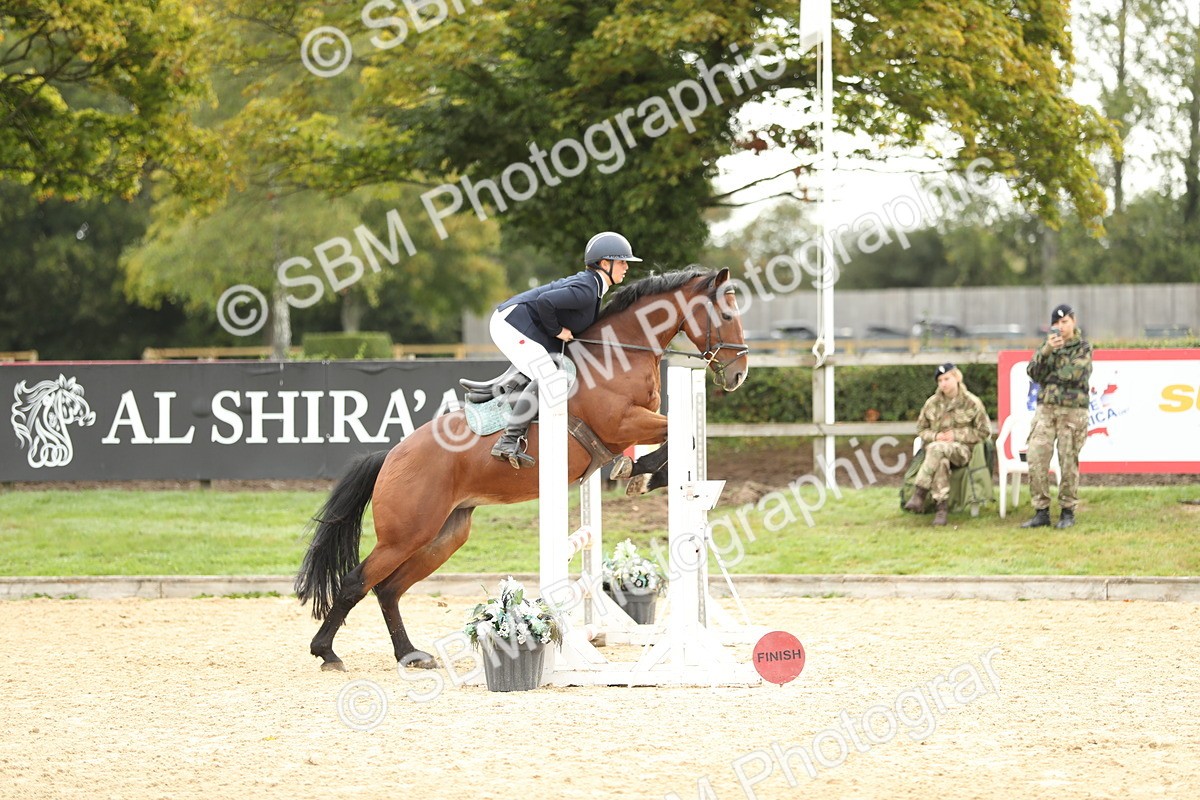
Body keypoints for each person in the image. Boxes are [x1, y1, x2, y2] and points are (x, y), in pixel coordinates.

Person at [486, 231, 640, 468]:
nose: (626, 267)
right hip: (510, 322)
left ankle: (509, 394)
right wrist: (557, 330)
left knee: (561, 368)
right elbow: (544, 302)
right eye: (622, 262)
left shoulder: (595, 288)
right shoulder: (588, 289)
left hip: (527, 323)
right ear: (604, 264)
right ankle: (508, 440)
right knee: (550, 375)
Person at [1021, 303, 1092, 529]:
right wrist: (1046, 352)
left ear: (1073, 322)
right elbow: (1032, 372)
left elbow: (1075, 373)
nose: (1061, 327)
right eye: (1057, 323)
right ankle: (1041, 511)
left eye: (1065, 322)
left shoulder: (1082, 347)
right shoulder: (1047, 347)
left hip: (1072, 411)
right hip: (1046, 410)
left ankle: (1067, 511)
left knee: (1068, 461)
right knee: (1036, 456)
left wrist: (1049, 376)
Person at [904, 363, 991, 526]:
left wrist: (956, 435)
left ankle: (919, 493)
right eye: (940, 380)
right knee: (940, 459)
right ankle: (941, 510)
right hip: (936, 452)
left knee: (936, 448)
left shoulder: (972, 402)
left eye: (947, 379)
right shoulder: (932, 403)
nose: (943, 383)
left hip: (962, 451)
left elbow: (984, 432)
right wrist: (936, 435)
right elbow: (921, 429)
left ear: (957, 378)